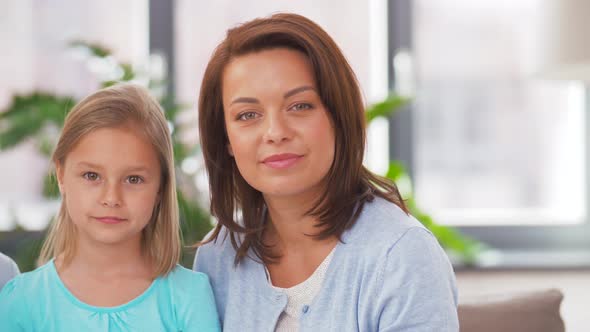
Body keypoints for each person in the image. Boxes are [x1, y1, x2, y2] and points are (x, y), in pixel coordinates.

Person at [193, 12, 459, 331]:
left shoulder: (402, 255)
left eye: (300, 106)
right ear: (227, 141)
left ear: (338, 116)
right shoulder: (218, 255)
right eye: (248, 114)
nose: (276, 132)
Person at [0, 84, 220, 331]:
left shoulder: (188, 297)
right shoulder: (23, 301)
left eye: (133, 179)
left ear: (160, 187)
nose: (111, 198)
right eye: (92, 175)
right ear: (61, 176)